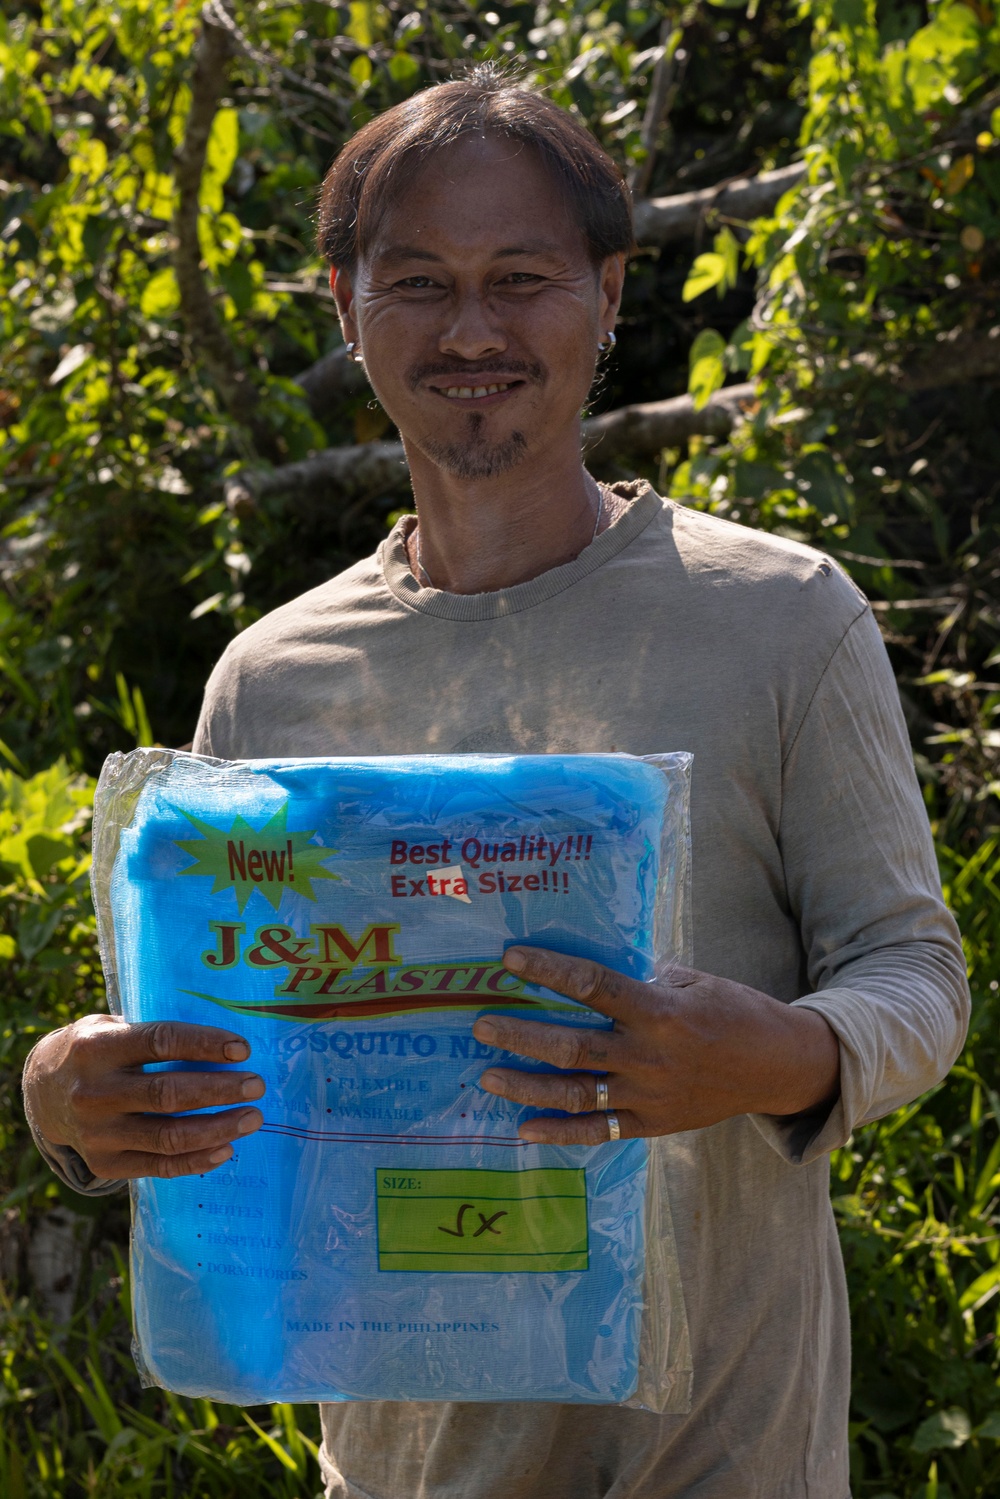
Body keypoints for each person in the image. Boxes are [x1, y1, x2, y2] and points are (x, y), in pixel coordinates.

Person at [23, 66, 969, 1499]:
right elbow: (203, 1069)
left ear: (607, 292)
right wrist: (72, 1105)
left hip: (725, 1463)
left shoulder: (784, 619)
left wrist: (770, 1055)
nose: (473, 329)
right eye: (418, 282)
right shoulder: (271, 683)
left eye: (521, 277)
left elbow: (915, 975)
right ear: (345, 307)